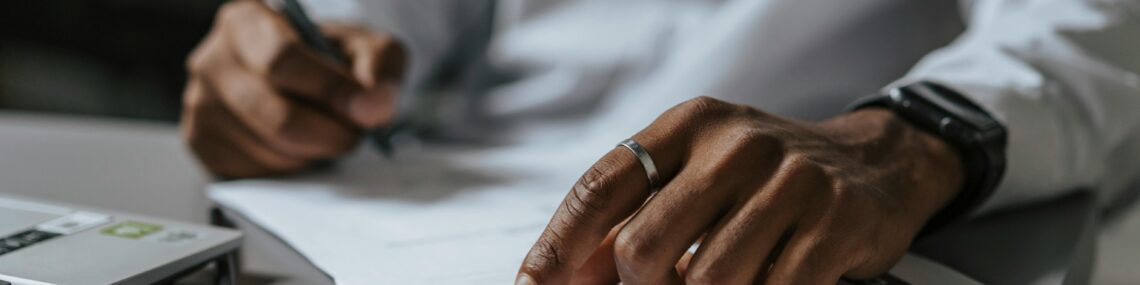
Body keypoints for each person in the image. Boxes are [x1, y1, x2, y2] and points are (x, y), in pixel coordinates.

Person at [181, 0, 1140, 283]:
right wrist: (294, 51)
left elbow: (1090, 25)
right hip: (396, 213)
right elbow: (383, 22)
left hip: (786, 228)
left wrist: (916, 137)